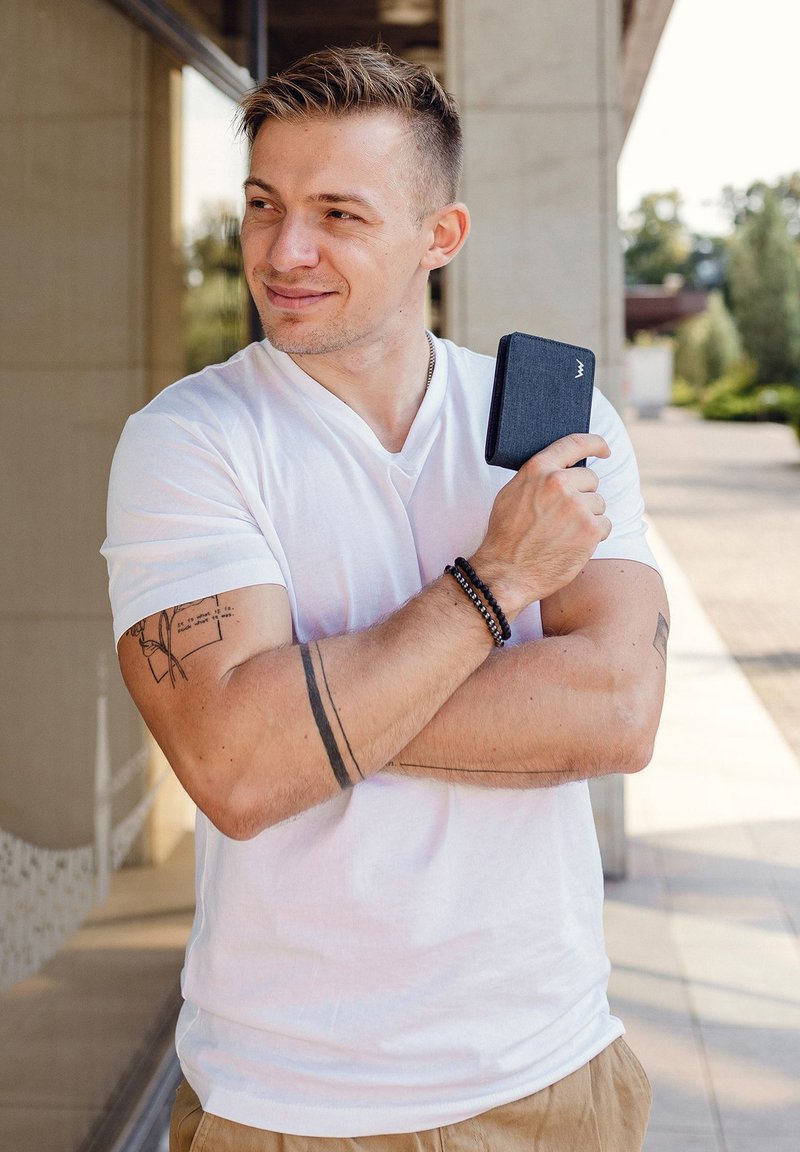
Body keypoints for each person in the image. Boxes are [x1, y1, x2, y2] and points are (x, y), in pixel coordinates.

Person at [102, 44, 668, 1152]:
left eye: (338, 214)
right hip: (291, 1101)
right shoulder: (189, 442)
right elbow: (235, 767)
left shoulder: (558, 425)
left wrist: (308, 708)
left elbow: (615, 713)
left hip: (551, 1074)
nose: (283, 251)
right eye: (263, 205)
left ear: (438, 237)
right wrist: (498, 581)